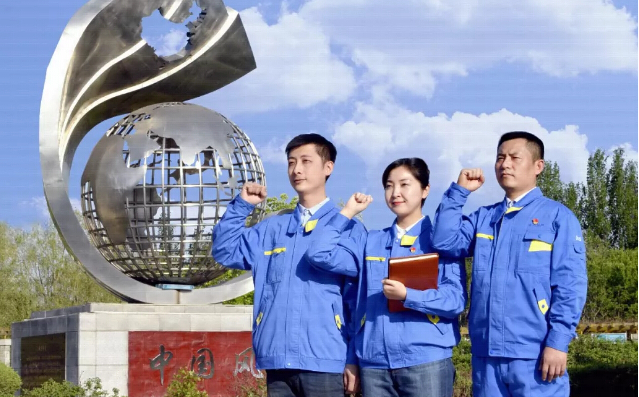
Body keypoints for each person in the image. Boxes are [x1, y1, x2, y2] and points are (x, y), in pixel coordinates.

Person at [431, 131, 587, 397]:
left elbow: (570, 285)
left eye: (515, 158)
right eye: (500, 158)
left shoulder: (557, 217)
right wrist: (458, 193)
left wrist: (558, 342)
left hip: (536, 354)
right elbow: (444, 241)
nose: (505, 164)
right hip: (486, 355)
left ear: (538, 166)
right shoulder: (484, 218)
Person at [212, 134, 359, 397]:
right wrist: (242, 206)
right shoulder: (272, 228)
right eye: (291, 162)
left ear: (328, 167)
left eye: (306, 161)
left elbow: (356, 300)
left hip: (327, 360)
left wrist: (353, 358)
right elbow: (225, 250)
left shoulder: (348, 228)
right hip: (277, 360)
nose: (297, 170)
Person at [306, 157, 466, 397]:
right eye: (389, 186)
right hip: (374, 365)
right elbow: (319, 254)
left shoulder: (441, 242)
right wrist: (347, 213)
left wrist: (408, 296)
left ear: (425, 190)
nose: (395, 193)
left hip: (426, 362)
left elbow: (455, 301)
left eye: (404, 184)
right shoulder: (371, 242)